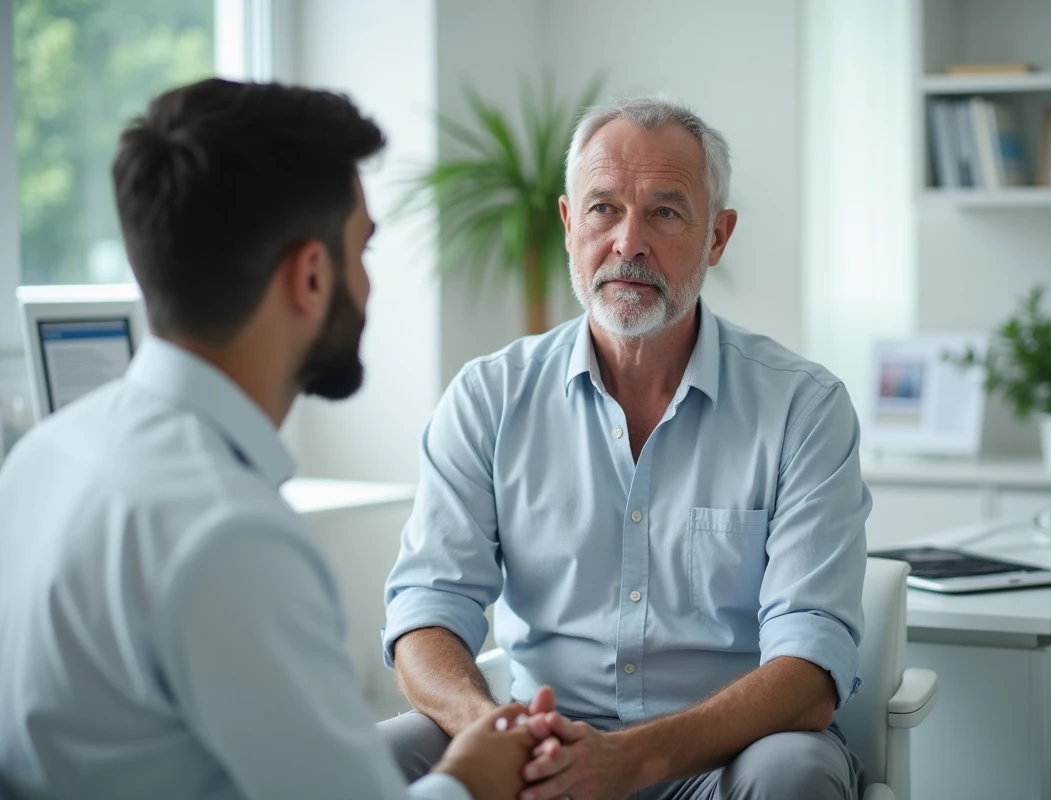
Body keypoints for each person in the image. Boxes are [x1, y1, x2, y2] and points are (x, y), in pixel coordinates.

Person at [0, 78, 550, 800]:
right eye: (364, 251)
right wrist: (470, 781)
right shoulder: (229, 534)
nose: (368, 284)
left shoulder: (41, 457)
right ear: (312, 276)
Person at [380, 97, 871, 800]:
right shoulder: (488, 396)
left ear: (718, 237)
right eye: (603, 208)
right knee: (372, 761)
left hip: (723, 758)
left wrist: (628, 761)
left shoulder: (803, 407)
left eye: (665, 213)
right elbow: (425, 610)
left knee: (794, 772)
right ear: (568, 223)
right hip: (535, 749)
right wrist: (491, 731)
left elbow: (810, 671)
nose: (628, 243)